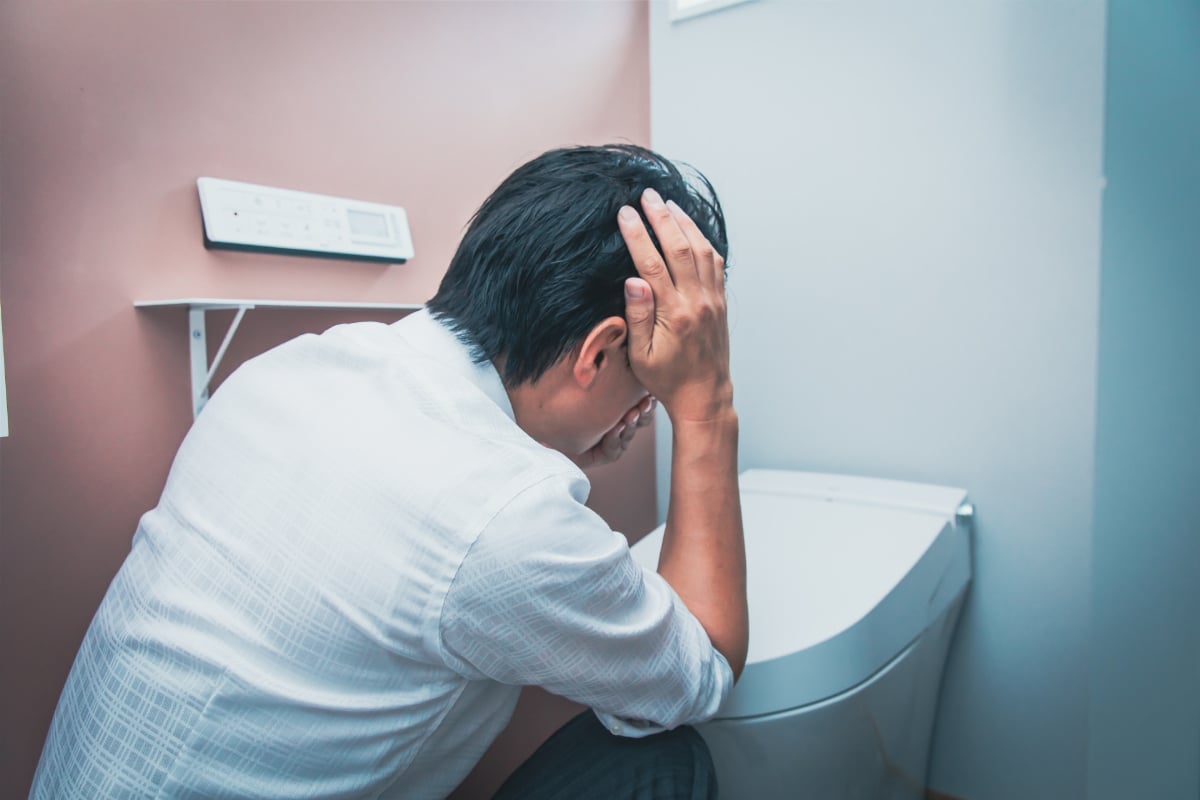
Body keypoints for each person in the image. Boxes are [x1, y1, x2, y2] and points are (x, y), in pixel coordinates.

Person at [31, 144, 747, 800]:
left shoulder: (278, 373)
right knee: (666, 761)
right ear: (600, 351)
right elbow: (700, 673)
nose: (644, 408)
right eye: (649, 382)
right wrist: (705, 402)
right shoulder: (506, 517)